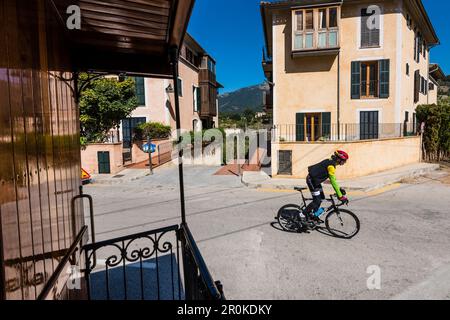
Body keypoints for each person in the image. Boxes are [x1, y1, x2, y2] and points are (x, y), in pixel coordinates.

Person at [304, 150, 349, 221]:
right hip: (311, 181)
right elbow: (333, 181)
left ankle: (314, 215)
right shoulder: (331, 165)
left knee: (321, 198)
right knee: (317, 201)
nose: (344, 162)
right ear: (338, 159)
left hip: (316, 181)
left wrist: (339, 189)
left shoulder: (332, 162)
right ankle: (302, 215)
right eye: (344, 160)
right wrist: (340, 196)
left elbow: (333, 180)